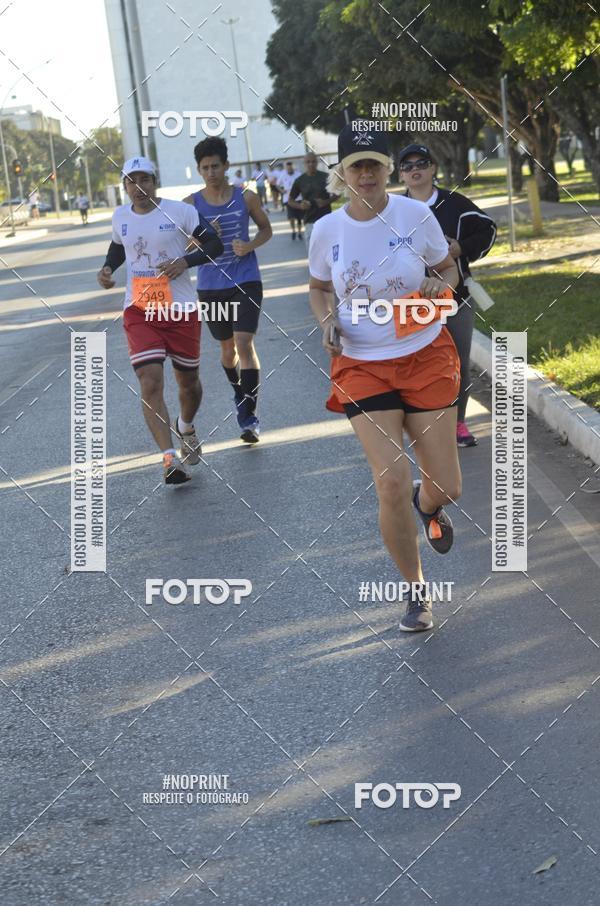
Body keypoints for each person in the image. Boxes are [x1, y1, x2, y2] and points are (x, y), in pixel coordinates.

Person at [309, 123, 461, 632]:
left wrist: (439, 290)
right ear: (342, 174)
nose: (367, 173)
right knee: (390, 481)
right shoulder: (327, 230)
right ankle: (417, 592)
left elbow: (447, 270)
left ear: (388, 169)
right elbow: (318, 289)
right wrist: (327, 319)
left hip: (424, 352)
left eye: (375, 164)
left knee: (447, 487)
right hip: (361, 363)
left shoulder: (416, 216)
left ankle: (429, 503)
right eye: (357, 166)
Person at [97, 156, 223, 484]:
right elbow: (118, 247)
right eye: (131, 181)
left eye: (144, 180)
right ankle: (169, 459)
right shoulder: (120, 216)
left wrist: (186, 261)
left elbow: (215, 243)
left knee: (189, 385)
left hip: (180, 311)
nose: (138, 188)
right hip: (140, 310)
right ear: (124, 186)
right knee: (150, 382)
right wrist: (109, 268)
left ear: (155, 181)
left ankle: (186, 426)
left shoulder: (181, 212)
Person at [399, 143, 497, 447]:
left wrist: (460, 249)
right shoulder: (395, 210)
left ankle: (458, 424)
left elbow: (488, 230)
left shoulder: (454, 203)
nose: (415, 170)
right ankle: (423, 426)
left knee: (456, 362)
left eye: (421, 163)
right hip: (411, 301)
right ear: (401, 174)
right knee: (415, 365)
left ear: (432, 169)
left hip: (455, 297)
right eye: (407, 166)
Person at [184, 137, 272, 444]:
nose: (210, 172)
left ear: (226, 166)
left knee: (244, 343)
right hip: (211, 287)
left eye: (215, 166)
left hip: (245, 280)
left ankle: (248, 417)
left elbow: (266, 229)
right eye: (205, 167)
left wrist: (248, 246)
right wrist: (204, 240)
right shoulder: (191, 205)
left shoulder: (245, 197)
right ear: (199, 170)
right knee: (227, 350)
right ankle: (239, 393)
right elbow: (181, 246)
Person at [288, 152, 337, 243]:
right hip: (309, 220)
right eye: (308, 162)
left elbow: (337, 194)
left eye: (313, 161)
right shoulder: (300, 180)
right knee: (313, 252)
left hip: (325, 218)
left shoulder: (325, 177)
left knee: (328, 250)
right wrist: (301, 206)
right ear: (304, 163)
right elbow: (290, 201)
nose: (311, 164)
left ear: (317, 162)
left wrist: (325, 202)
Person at [278, 160, 303, 239]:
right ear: (286, 168)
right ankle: (293, 231)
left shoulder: (298, 174)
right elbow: (277, 184)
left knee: (299, 218)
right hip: (288, 199)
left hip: (298, 198)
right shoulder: (283, 175)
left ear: (292, 167)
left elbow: (303, 184)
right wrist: (282, 191)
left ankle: (299, 232)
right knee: (291, 217)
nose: (289, 169)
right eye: (288, 168)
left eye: (290, 168)